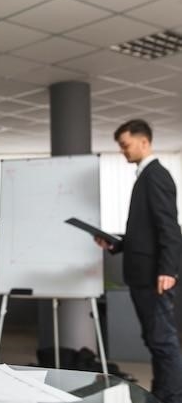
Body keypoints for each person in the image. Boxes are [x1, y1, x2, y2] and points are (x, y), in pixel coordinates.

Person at [95, 119, 182, 403]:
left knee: (163, 342)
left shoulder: (156, 175)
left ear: (144, 142)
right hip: (141, 275)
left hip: (153, 277)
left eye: (125, 145)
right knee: (154, 341)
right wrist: (116, 244)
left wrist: (168, 269)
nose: (123, 152)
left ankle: (172, 396)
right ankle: (162, 393)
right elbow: (146, 233)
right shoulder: (144, 176)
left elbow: (169, 228)